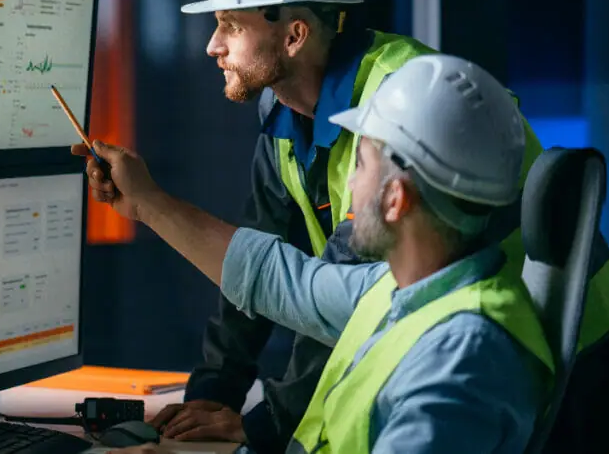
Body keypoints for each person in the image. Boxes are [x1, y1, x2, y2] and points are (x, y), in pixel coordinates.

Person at [152, 0, 609, 454]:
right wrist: (214, 393)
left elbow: (339, 307)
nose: (213, 45)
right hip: (477, 340)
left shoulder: (401, 108)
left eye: (231, 25)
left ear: (294, 35)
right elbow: (271, 267)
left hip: (559, 343)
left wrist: (264, 426)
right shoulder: (285, 116)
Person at [81, 54, 555, 453]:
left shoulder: (461, 361)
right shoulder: (403, 291)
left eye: (362, 164)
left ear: (397, 199)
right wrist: (147, 204)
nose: (348, 183)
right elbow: (280, 280)